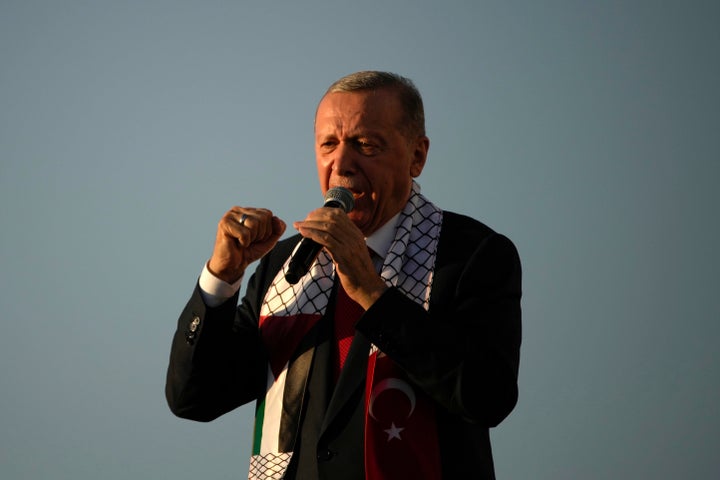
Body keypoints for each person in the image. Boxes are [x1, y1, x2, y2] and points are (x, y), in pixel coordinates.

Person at [166, 71, 522, 480]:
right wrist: (221, 280)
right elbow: (194, 399)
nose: (342, 164)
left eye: (365, 145)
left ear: (417, 156)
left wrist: (372, 292)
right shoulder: (286, 265)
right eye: (328, 145)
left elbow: (488, 397)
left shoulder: (472, 255)